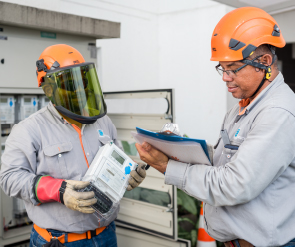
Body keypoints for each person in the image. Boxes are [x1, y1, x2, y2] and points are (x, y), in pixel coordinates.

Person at [135, 7, 295, 247]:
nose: (225, 78)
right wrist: (176, 149)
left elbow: (234, 185)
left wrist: (168, 167)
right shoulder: (241, 107)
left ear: (264, 62)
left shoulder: (277, 113)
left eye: (233, 69)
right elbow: (223, 163)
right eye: (222, 68)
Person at [0, 44, 146, 247]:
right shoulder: (29, 129)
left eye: (82, 81)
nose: (79, 89)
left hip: (106, 235)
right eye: (70, 83)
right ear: (49, 89)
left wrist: (129, 174)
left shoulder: (103, 122)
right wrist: (58, 190)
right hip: (59, 241)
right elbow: (9, 178)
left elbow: (116, 158)